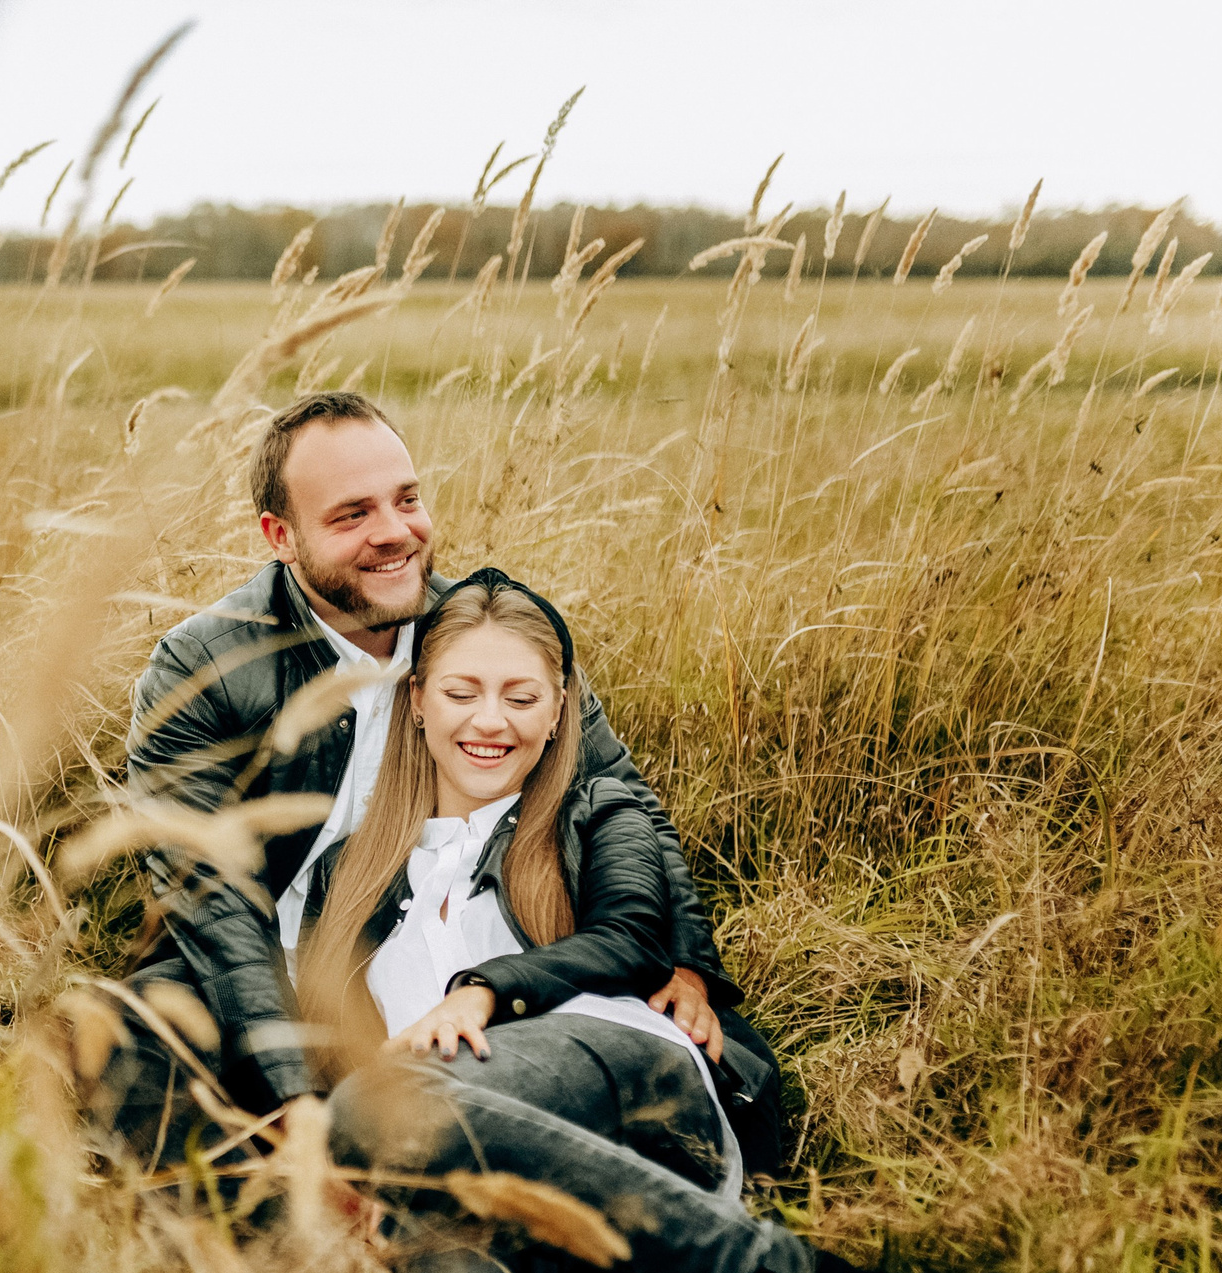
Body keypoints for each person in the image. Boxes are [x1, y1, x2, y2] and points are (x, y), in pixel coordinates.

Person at [298, 568, 988, 1273]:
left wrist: (482, 992)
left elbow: (629, 936)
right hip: (517, 1189)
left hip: (634, 1086)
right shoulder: (353, 870)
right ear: (417, 702)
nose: (488, 721)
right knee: (439, 1237)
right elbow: (334, 1044)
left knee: (391, 1104)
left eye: (520, 696)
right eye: (461, 692)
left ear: (560, 709)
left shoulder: (593, 808)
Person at [107, 389, 783, 1178]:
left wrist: (689, 965)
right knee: (123, 1045)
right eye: (352, 514)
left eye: (407, 499)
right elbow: (209, 897)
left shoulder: (482, 632)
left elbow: (621, 796)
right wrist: (293, 1097)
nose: (395, 532)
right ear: (280, 536)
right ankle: (301, 1217)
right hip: (273, 982)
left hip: (448, 958)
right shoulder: (202, 668)